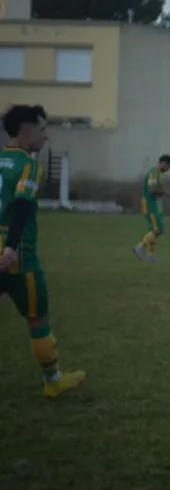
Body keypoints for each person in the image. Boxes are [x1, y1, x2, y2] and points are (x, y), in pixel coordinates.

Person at [0, 104, 85, 398]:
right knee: (38, 318)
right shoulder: (29, 165)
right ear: (26, 131)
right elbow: (22, 204)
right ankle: (53, 381)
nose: (46, 136)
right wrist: (10, 247)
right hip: (18, 258)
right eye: (43, 129)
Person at [134, 154, 170, 263]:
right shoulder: (153, 172)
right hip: (150, 204)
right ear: (163, 163)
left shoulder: (160, 174)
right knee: (158, 229)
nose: (168, 170)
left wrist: (162, 193)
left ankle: (150, 255)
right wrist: (165, 192)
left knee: (154, 230)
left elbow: (157, 189)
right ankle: (139, 247)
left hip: (155, 204)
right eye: (168, 167)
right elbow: (152, 190)